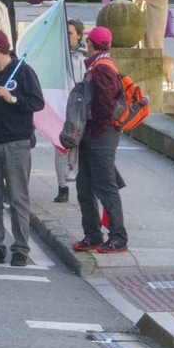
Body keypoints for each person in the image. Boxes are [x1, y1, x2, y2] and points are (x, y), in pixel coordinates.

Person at [0, 29, 44, 267]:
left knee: (18, 197)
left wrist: (12, 99)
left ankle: (21, 248)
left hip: (16, 143)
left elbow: (37, 102)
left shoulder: (23, 71)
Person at [73, 27, 128, 254]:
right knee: (84, 186)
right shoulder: (102, 64)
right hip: (95, 134)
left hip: (100, 135)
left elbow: (105, 104)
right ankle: (93, 235)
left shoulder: (102, 67)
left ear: (90, 43)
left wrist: (96, 130)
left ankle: (118, 238)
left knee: (106, 187)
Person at [54, 20, 87, 203]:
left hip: (79, 109)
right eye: (65, 33)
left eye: (71, 33)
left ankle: (81, 181)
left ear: (79, 36)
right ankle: (62, 187)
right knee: (61, 147)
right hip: (61, 107)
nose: (67, 37)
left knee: (79, 147)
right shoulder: (57, 56)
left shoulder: (83, 58)